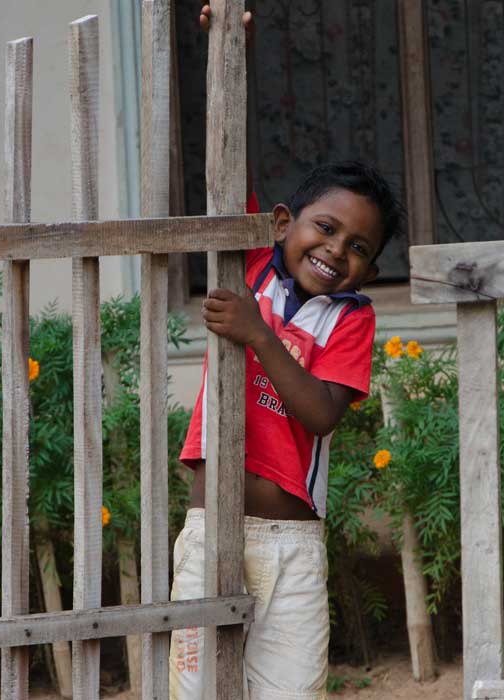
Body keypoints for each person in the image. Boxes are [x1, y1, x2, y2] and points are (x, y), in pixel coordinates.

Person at [169, 157, 405, 699]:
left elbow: (321, 413)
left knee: (292, 691)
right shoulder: (249, 265)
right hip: (211, 529)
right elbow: (225, 162)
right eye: (325, 227)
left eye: (358, 248)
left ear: (368, 273)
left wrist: (257, 334)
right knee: (195, 688)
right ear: (281, 225)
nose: (336, 250)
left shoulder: (350, 318)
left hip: (292, 548)